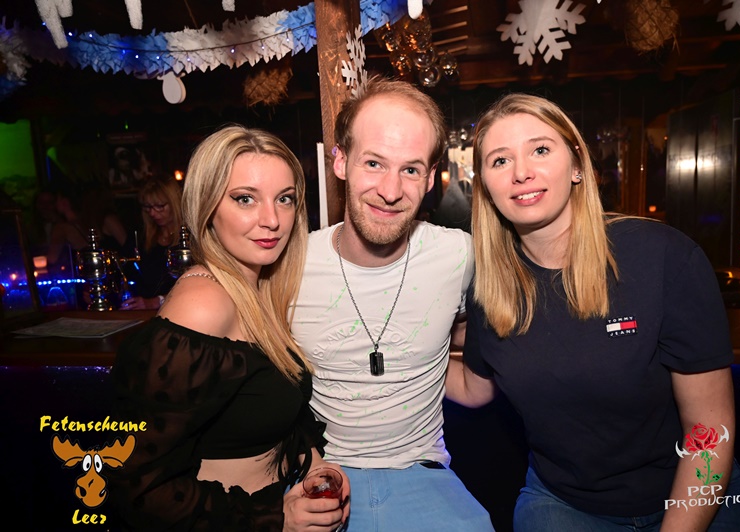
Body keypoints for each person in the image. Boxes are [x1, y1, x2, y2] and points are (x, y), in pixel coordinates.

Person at [446, 93, 740, 531]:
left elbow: (710, 431)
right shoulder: (491, 287)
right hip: (566, 504)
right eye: (500, 160)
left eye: (540, 150)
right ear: (485, 185)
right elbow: (475, 387)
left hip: (697, 492)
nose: (521, 172)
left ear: (577, 165)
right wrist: (393, 354)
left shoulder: (662, 257)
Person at [109, 125, 350, 531]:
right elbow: (136, 487)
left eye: (285, 199)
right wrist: (275, 518)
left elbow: (267, 410)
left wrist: (314, 464)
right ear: (207, 207)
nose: (272, 220)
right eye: (245, 199)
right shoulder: (203, 305)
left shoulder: (260, 289)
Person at [290, 76, 493, 531]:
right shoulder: (290, 265)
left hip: (423, 474)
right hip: (318, 475)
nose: (390, 190)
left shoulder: (458, 255)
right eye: (374, 163)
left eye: (411, 169)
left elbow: (472, 336)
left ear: (431, 177)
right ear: (340, 161)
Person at [119, 177, 182, 310]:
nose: (152, 213)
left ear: (174, 203)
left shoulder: (192, 238)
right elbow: (124, 273)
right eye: (148, 207)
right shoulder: (140, 238)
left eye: (160, 206)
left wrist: (156, 301)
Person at [46, 187, 128, 274]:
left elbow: (52, 258)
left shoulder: (62, 228)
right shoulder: (91, 222)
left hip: (85, 273)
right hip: (104, 271)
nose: (54, 205)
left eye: (56, 200)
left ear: (65, 202)